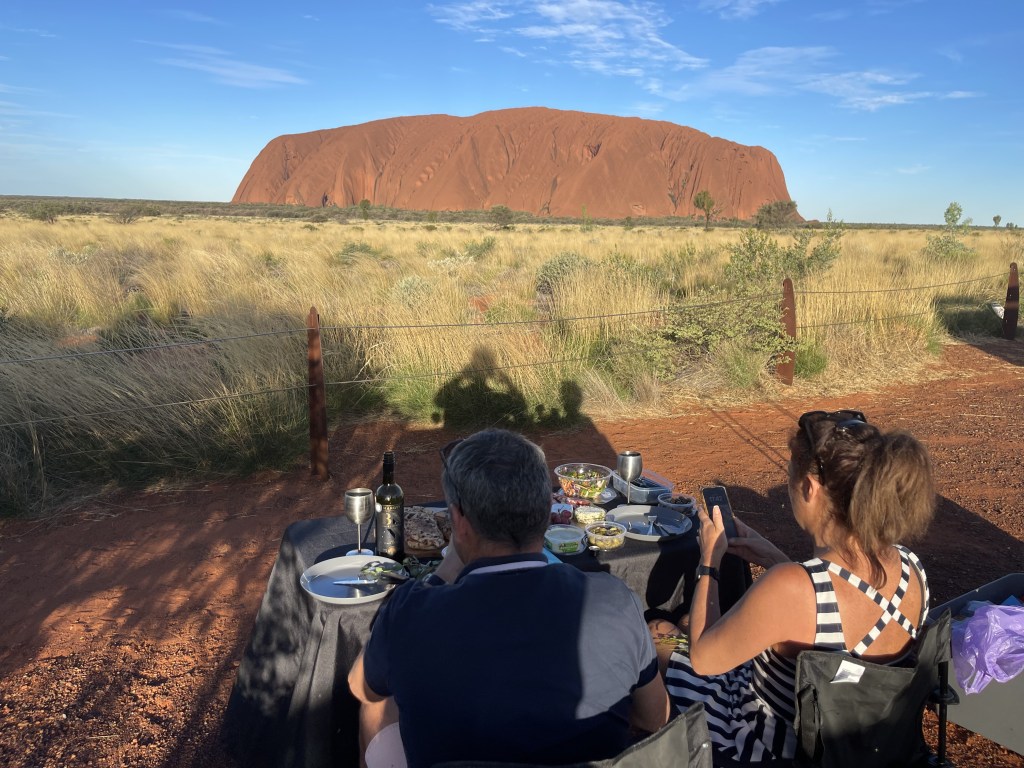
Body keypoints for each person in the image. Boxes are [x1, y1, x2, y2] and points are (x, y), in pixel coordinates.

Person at [348, 428, 669, 768]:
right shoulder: (615, 599)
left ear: (458, 521)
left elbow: (362, 689)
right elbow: (656, 717)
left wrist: (445, 568)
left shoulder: (411, 611)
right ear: (547, 510)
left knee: (377, 707)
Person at [648, 409, 935, 764]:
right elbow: (830, 602)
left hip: (770, 743)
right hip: (861, 744)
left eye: (789, 474)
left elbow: (705, 660)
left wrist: (709, 560)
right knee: (687, 624)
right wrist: (771, 555)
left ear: (810, 488)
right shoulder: (910, 565)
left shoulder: (790, 588)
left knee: (657, 632)